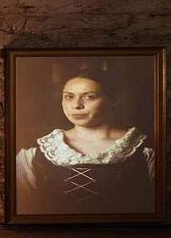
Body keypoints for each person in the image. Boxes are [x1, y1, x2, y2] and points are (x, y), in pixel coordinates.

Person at [15, 65, 155, 215]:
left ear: (113, 100)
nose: (76, 105)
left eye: (89, 96)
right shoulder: (35, 152)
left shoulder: (145, 150)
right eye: (69, 96)